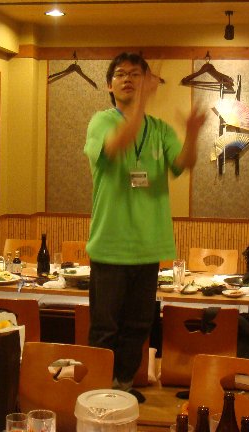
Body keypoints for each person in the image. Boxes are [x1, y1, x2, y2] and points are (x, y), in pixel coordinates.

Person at [84, 52, 206, 402]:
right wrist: (141, 102)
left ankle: (122, 387)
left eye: (136, 74)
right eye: (120, 74)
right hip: (110, 245)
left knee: (138, 326)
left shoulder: (160, 129)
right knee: (105, 327)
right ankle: (99, 393)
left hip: (149, 246)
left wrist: (192, 133)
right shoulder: (101, 122)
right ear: (109, 86)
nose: (127, 79)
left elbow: (183, 164)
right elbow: (116, 145)